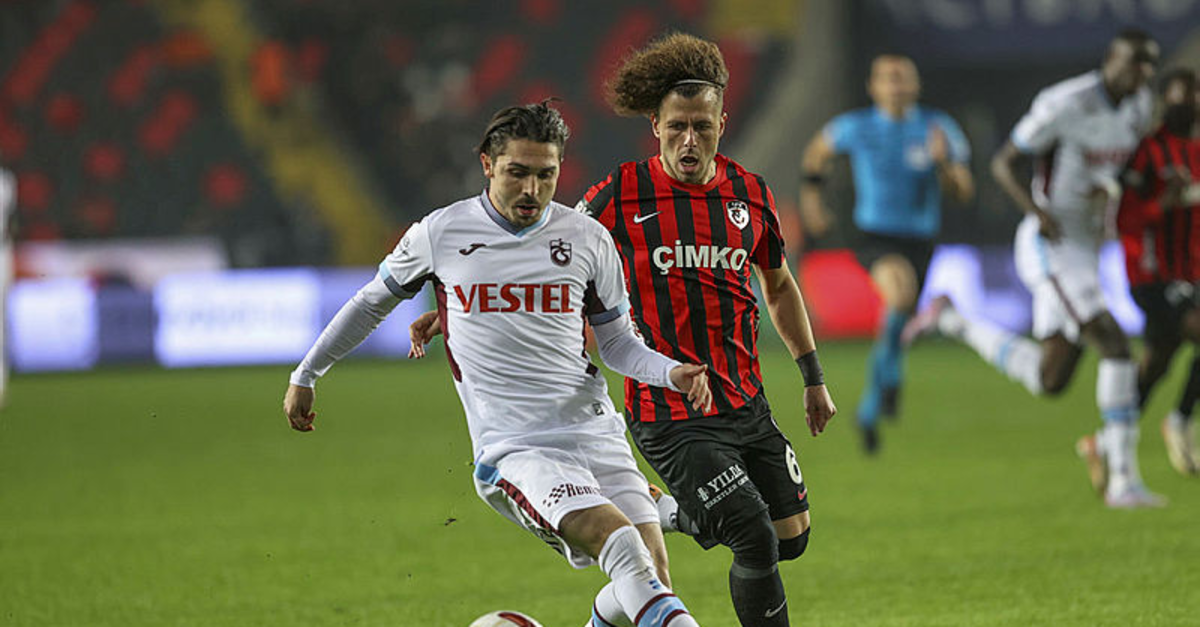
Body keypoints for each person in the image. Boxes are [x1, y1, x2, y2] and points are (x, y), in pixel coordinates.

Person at [414, 34, 835, 627]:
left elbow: (781, 286)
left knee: (791, 537)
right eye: (677, 127)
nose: (690, 140)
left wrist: (812, 377)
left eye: (703, 127)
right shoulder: (618, 196)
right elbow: (544, 253)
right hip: (668, 408)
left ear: (722, 124)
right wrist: (467, 307)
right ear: (655, 126)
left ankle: (673, 514)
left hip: (746, 400)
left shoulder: (752, 195)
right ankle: (679, 513)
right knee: (754, 536)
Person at [283, 102, 712, 627]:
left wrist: (671, 372)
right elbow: (371, 302)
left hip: (595, 431)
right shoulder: (442, 233)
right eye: (517, 172)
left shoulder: (587, 238)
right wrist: (307, 374)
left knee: (648, 577)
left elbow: (618, 343)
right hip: (517, 446)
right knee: (620, 545)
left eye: (546, 175)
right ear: (487, 164)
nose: (532, 189)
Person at [906, 29, 1164, 508]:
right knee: (1114, 343)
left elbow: (1127, 168)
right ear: (1111, 58)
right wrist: (1037, 212)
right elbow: (1004, 163)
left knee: (1052, 378)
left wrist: (1121, 191)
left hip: (1089, 245)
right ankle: (1123, 479)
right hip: (1052, 244)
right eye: (1135, 62)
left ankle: (952, 319)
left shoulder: (1138, 105)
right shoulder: (1064, 103)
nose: (1142, 73)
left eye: (1150, 65)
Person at [799, 54, 974, 453]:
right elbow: (817, 152)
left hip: (920, 241)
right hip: (874, 237)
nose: (895, 87)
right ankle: (881, 392)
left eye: (902, 79)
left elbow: (964, 192)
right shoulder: (856, 126)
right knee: (900, 296)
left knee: (899, 314)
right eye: (888, 79)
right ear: (873, 87)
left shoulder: (938, 128)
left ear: (915, 85)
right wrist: (812, 202)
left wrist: (944, 166)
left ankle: (877, 398)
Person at [1116, 67, 1200, 476]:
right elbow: (1125, 218)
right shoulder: (1146, 151)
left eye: (1196, 95)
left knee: (1158, 362)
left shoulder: (1196, 152)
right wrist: (1163, 202)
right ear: (1165, 100)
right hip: (1151, 273)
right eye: (1184, 95)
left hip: (1190, 272)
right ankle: (1180, 421)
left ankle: (1107, 440)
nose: (1192, 103)